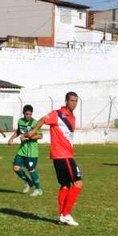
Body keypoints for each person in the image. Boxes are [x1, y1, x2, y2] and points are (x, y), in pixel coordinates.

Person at [26, 92, 82, 226]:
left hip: (62, 155)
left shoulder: (72, 116)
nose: (74, 103)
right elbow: (43, 119)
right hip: (64, 156)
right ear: (66, 101)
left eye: (76, 101)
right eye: (72, 101)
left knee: (65, 185)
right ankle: (66, 214)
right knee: (78, 184)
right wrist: (33, 131)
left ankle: (62, 215)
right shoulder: (58, 114)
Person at [7, 105, 43, 197]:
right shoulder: (20, 121)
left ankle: (38, 189)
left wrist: (27, 137)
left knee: (31, 170)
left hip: (32, 152)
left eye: (30, 114)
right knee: (16, 168)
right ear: (24, 113)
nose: (28, 116)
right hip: (22, 151)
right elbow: (18, 132)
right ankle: (29, 182)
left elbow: (40, 136)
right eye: (27, 114)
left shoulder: (35, 122)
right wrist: (11, 139)